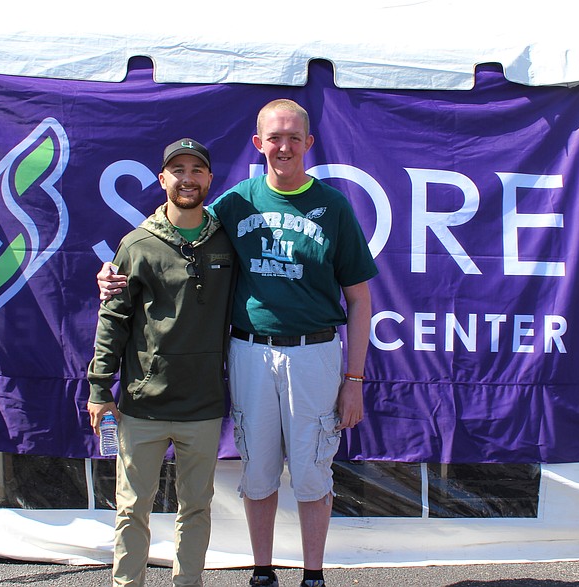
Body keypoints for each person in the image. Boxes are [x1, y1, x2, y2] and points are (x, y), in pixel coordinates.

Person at [99, 100, 378, 587]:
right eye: (275, 137)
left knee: (313, 472)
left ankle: (314, 575)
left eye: (294, 137)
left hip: (315, 353)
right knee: (258, 472)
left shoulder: (334, 208)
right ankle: (263, 572)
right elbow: (172, 229)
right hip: (249, 351)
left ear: (309, 143)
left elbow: (359, 301)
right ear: (258, 144)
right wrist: (112, 273)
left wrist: (353, 379)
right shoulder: (235, 204)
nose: (284, 146)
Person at [87, 138, 235, 587]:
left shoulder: (228, 241)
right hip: (142, 405)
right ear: (162, 179)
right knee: (133, 510)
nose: (187, 179)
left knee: (196, 508)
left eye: (196, 170)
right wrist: (99, 388)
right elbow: (113, 318)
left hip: (203, 404)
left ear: (209, 178)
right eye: (178, 170)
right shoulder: (137, 245)